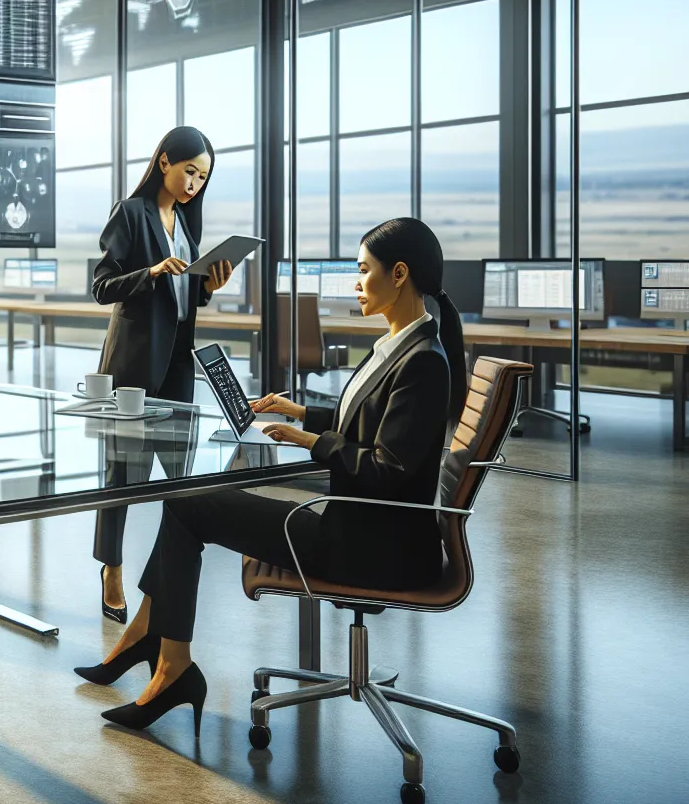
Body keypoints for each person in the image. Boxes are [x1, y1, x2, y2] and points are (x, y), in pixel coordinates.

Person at [74, 217, 468, 733]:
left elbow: (386, 469)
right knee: (187, 502)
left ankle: (165, 660)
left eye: (363, 271)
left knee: (189, 505)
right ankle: (156, 648)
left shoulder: (423, 362)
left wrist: (312, 443)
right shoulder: (399, 345)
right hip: (363, 526)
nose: (355, 283)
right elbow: (372, 428)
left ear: (398, 275)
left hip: (375, 546)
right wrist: (301, 413)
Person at [89, 126, 235, 624]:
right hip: (132, 363)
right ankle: (111, 568)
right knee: (124, 473)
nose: (195, 183)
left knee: (178, 475)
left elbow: (183, 299)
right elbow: (102, 287)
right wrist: (151, 272)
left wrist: (209, 285)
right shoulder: (131, 214)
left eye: (203, 177)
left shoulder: (187, 226)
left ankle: (162, 578)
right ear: (166, 161)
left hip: (176, 362)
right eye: (190, 170)